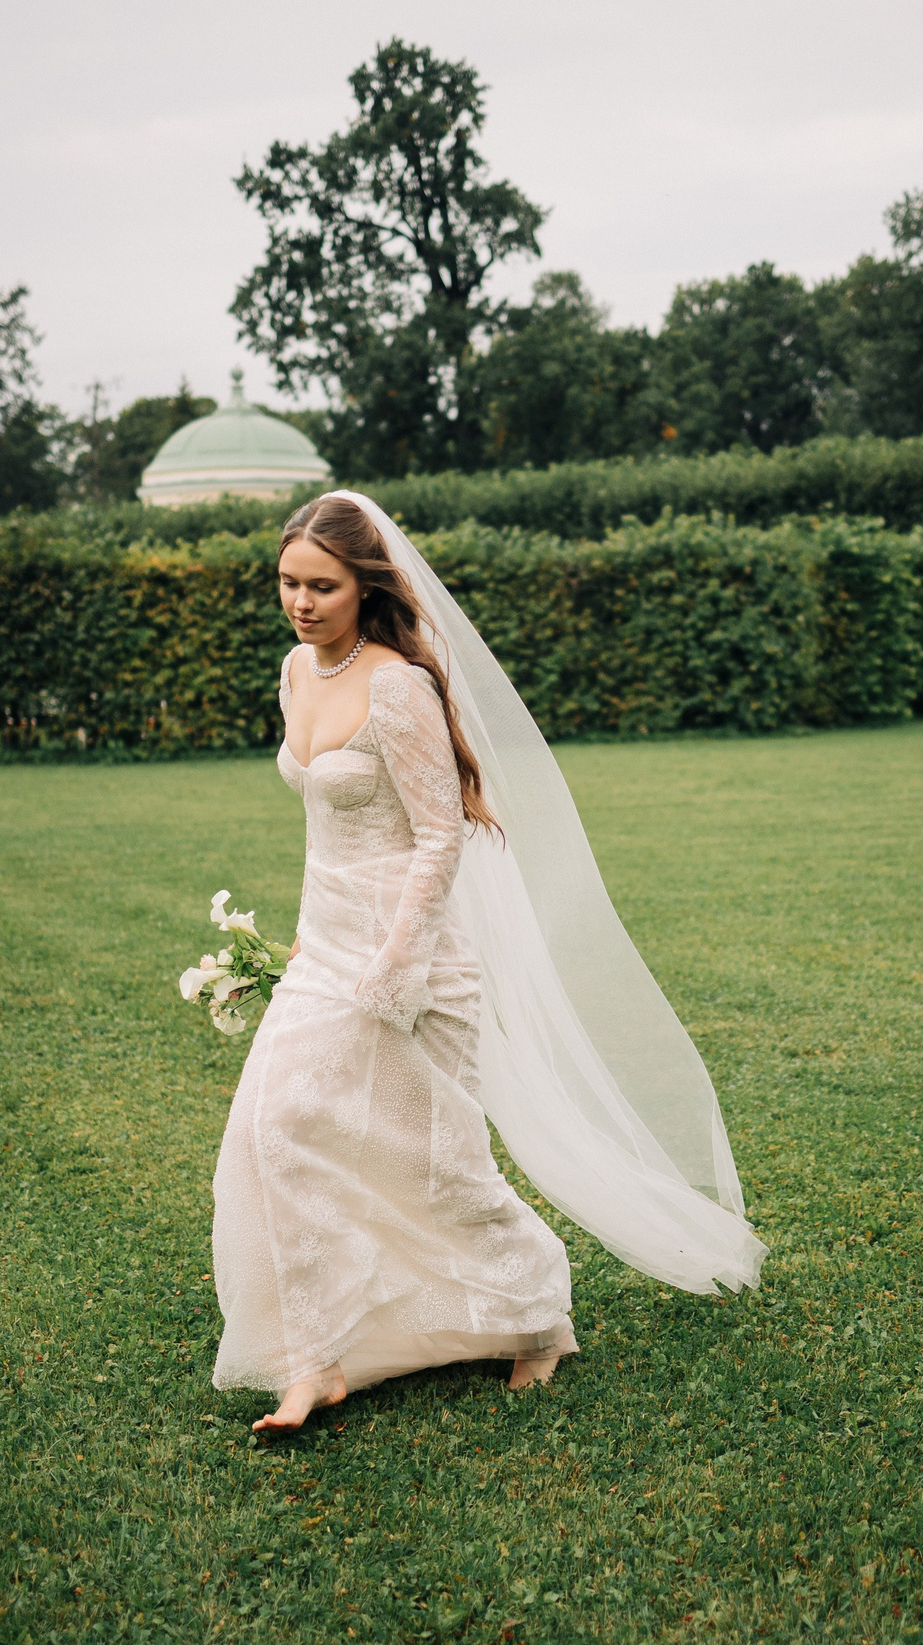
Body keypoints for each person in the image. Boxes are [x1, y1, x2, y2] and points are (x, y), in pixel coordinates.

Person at [212, 492, 766, 1434]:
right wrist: (308, 933)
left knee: (440, 1165)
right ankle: (315, 1359)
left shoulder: (399, 687)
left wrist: (397, 965)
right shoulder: (296, 673)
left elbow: (440, 837)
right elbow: (321, 826)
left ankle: (537, 1316)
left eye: (321, 586)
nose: (300, 602)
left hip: (413, 961)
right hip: (326, 948)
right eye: (287, 582)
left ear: (365, 585)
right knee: (275, 1131)